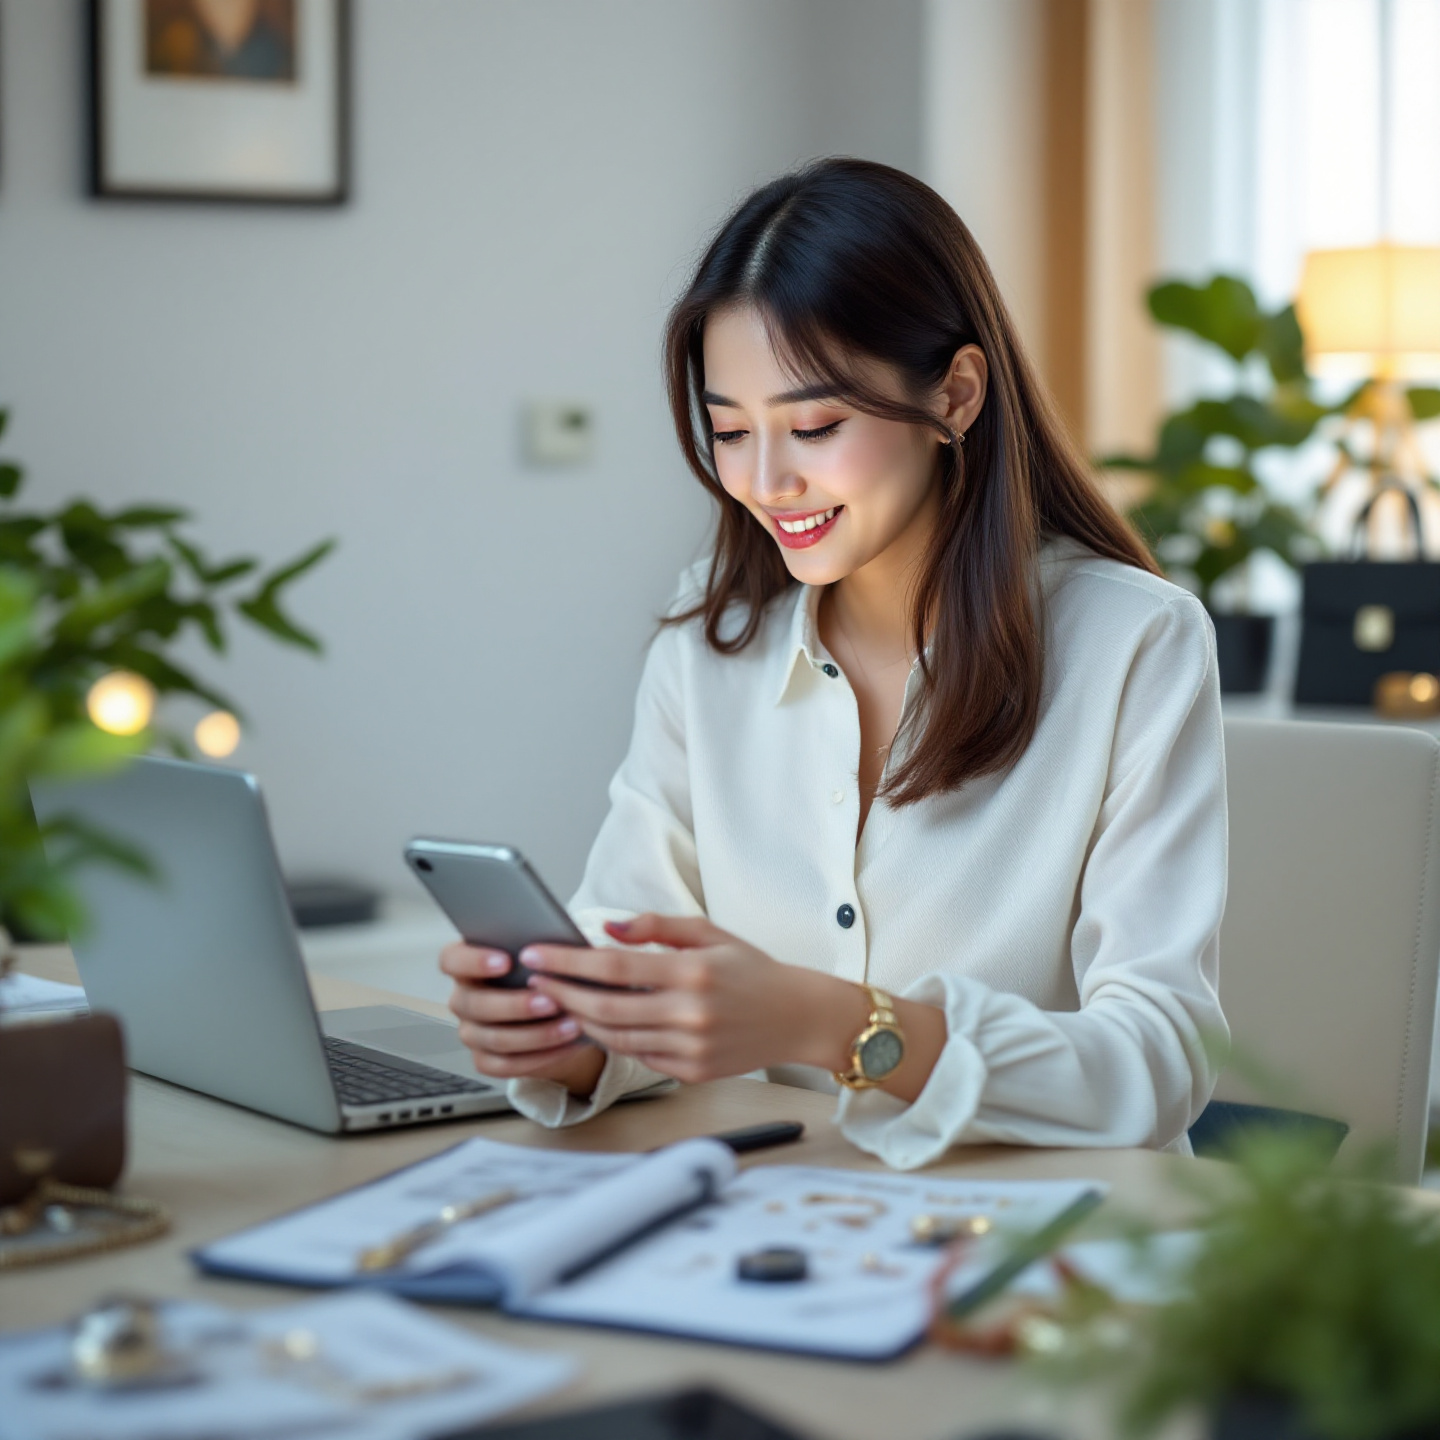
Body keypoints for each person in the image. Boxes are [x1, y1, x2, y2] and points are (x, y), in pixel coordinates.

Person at [442, 159, 1228, 1170]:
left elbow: (1160, 1062)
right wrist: (571, 1036)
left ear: (956, 391)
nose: (766, 482)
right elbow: (636, 942)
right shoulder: (706, 647)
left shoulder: (1136, 644)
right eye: (730, 430)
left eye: (815, 426)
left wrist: (841, 1027)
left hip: (1050, 1241)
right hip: (788, 1219)